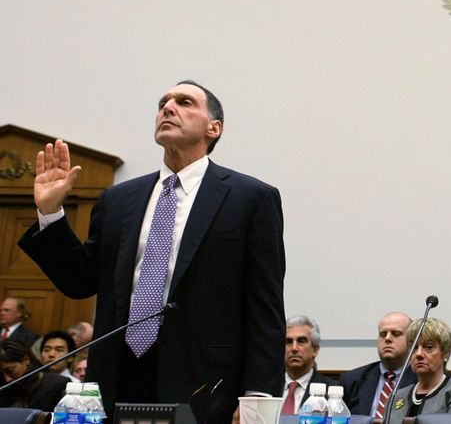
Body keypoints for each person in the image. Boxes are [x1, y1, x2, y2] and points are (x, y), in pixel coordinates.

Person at [18, 80, 286, 424]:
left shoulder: (250, 198)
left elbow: (264, 305)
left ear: (213, 127)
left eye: (185, 101)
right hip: (117, 374)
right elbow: (79, 281)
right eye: (164, 102)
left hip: (205, 382)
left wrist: (258, 397)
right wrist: (51, 214)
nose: (168, 107)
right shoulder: (119, 199)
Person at [388, 318, 451, 423]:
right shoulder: (397, 396)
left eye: (428, 347)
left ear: (446, 354)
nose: (419, 354)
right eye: (414, 347)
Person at [340, 311, 417, 416]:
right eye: (383, 334)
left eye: (396, 333)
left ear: (412, 341)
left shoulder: (421, 380)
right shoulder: (352, 380)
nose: (387, 338)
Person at [281, 315, 337, 415]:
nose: (294, 348)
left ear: (315, 349)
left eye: (301, 341)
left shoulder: (331, 392)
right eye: (288, 342)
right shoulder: (267, 389)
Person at [0, 339, 69, 411]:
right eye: (1, 374)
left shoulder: (56, 384)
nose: (7, 379)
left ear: (26, 359)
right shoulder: (3, 388)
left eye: (10, 371)